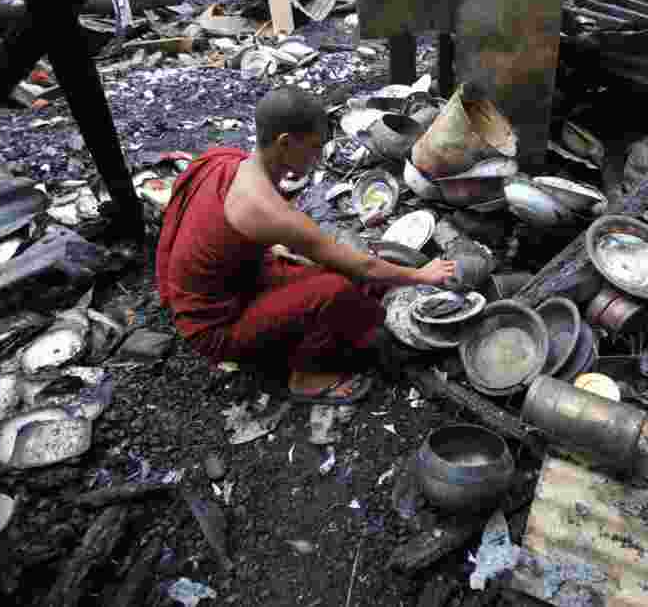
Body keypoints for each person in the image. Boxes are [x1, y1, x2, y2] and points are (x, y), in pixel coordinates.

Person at [156, 86, 456, 404]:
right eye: (314, 148)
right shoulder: (266, 209)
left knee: (320, 272)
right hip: (214, 325)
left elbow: (205, 223)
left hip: (228, 282)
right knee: (335, 290)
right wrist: (422, 275)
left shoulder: (223, 158)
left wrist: (268, 248)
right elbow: (363, 266)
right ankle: (306, 378)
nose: (317, 159)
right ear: (284, 143)